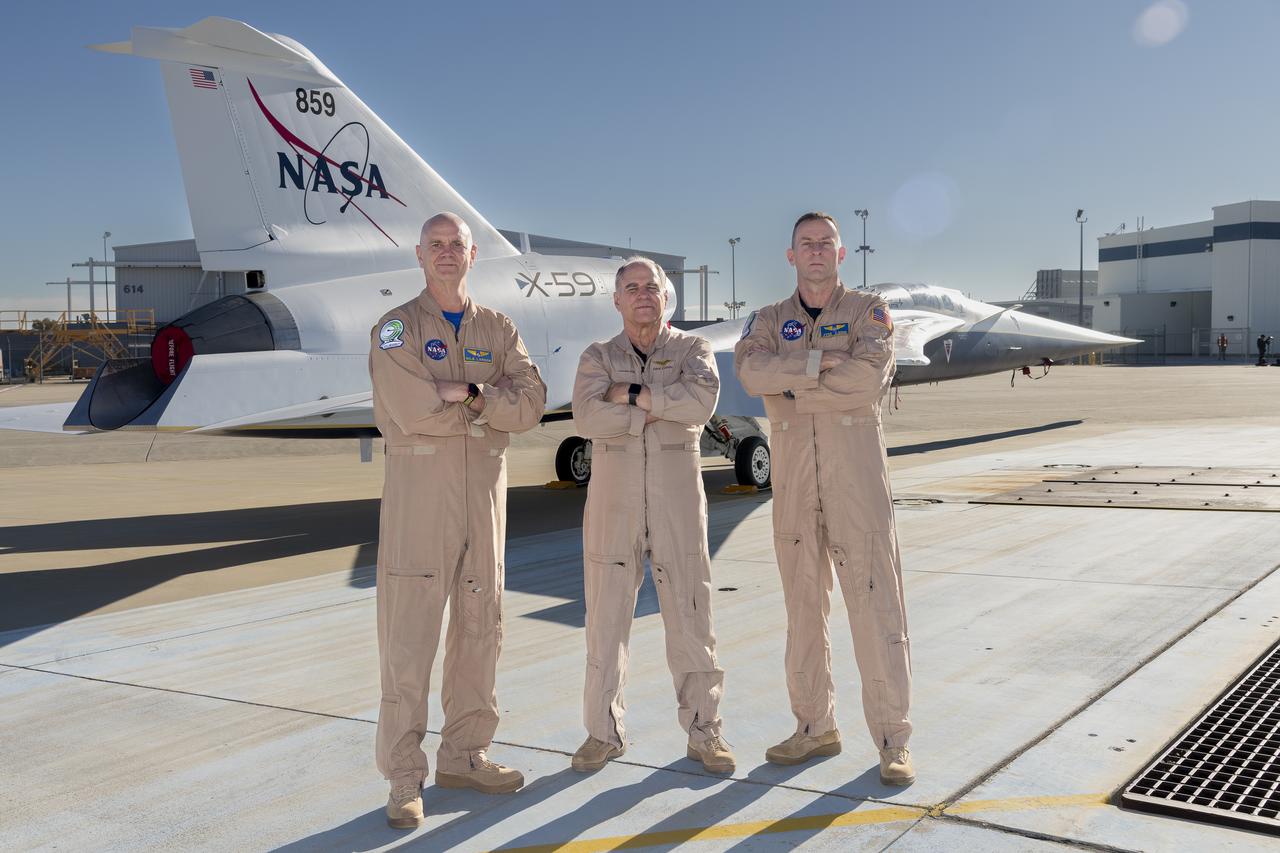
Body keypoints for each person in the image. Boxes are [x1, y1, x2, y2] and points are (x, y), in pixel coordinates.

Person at [369, 212, 547, 829]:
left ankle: (465, 756)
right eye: (435, 245)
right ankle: (402, 777)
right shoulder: (396, 329)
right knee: (409, 637)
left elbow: (530, 405)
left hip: (484, 500)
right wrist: (481, 401)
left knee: (480, 627)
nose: (446, 254)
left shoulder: (498, 328)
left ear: (473, 256)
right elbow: (412, 406)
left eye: (457, 246)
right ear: (420, 255)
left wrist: (464, 393)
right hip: (421, 499)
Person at [734, 212, 914, 786]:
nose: (815, 252)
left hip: (855, 483)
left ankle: (892, 741)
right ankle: (814, 727)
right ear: (790, 256)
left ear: (842, 254)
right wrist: (817, 366)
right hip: (793, 487)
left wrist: (791, 382)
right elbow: (748, 372)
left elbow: (868, 378)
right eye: (805, 244)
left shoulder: (868, 312)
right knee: (802, 609)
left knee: (875, 606)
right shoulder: (768, 318)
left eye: (825, 244)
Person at [569, 256, 733, 775]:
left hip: (677, 500)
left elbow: (701, 404)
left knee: (690, 614)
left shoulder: (693, 349)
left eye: (652, 287)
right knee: (605, 619)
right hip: (613, 502)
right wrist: (661, 408)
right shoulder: (597, 356)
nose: (642, 295)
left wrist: (634, 396)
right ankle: (602, 733)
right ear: (616, 301)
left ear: (667, 297)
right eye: (631, 287)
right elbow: (587, 414)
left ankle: (706, 733)